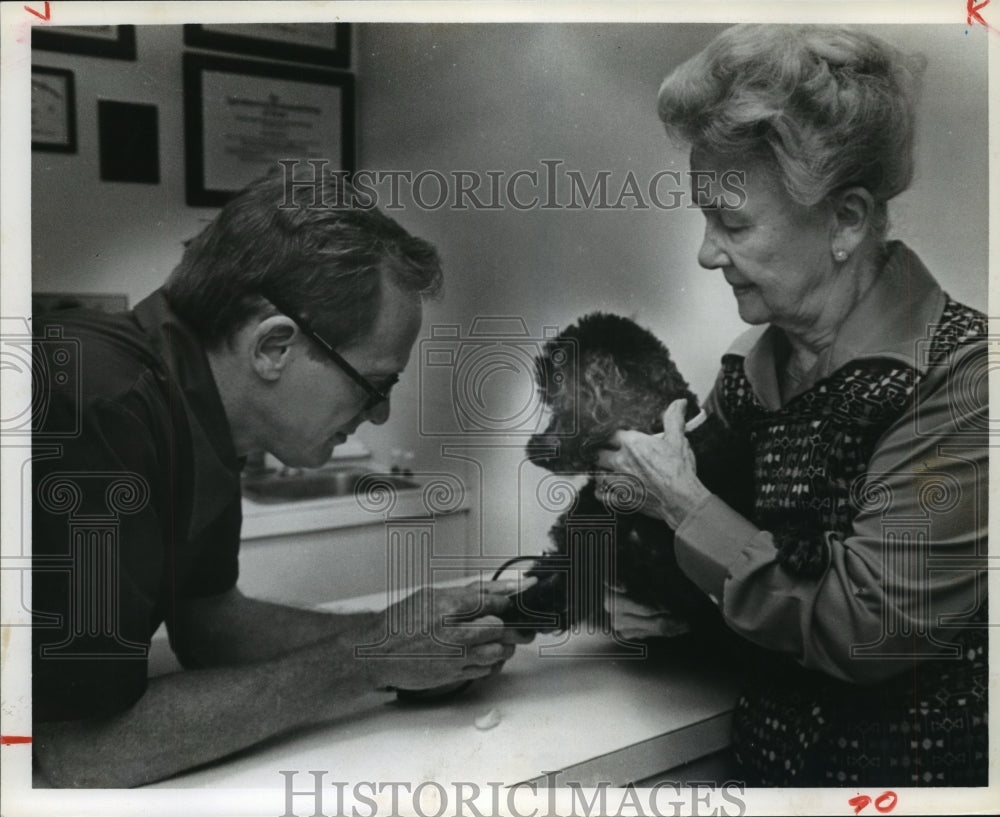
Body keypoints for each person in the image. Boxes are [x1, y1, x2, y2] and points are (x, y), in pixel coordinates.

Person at [31, 172, 530, 788]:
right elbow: (74, 751)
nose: (378, 414)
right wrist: (368, 659)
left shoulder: (201, 410)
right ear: (273, 345)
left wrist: (411, 639)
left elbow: (209, 624)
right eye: (376, 383)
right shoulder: (97, 403)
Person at [596, 24, 988, 786]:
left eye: (733, 223)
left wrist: (679, 502)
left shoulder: (964, 377)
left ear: (845, 220)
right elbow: (742, 574)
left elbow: (865, 627)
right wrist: (630, 595)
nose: (707, 253)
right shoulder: (754, 371)